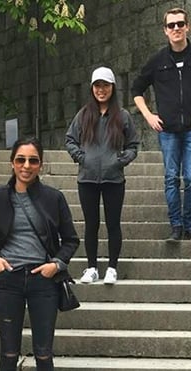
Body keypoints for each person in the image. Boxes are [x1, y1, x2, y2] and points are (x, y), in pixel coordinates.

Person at [0, 138, 79, 371]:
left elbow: (71, 239)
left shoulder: (53, 198)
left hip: (44, 279)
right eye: (20, 159)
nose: (26, 166)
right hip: (9, 279)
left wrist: (56, 265)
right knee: (9, 352)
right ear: (12, 163)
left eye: (33, 160)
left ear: (40, 165)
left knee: (43, 353)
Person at [131, 7, 191, 243]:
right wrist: (148, 116)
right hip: (168, 130)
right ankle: (176, 226)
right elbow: (136, 90)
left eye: (180, 24)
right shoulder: (157, 61)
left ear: (187, 27)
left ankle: (190, 226)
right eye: (171, 25)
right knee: (171, 178)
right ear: (165, 30)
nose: (176, 29)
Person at [65, 66, 140, 285]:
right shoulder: (84, 114)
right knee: (91, 224)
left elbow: (133, 144)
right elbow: (70, 139)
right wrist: (81, 157)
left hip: (113, 178)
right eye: (97, 86)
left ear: (112, 88)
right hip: (87, 178)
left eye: (105, 85)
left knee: (113, 223)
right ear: (92, 88)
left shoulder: (122, 115)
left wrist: (121, 160)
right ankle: (91, 267)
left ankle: (112, 267)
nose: (101, 90)